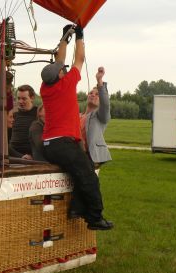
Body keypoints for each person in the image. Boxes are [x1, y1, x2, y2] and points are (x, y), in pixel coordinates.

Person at [40, 24, 113, 230]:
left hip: (49, 145)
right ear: (61, 76)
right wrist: (80, 35)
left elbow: (60, 61)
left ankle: (76, 208)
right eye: (63, 71)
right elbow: (78, 59)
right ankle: (95, 218)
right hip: (64, 143)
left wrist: (64, 38)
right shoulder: (67, 84)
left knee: (82, 171)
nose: (64, 69)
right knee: (89, 177)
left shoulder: (46, 87)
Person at [80, 67, 112, 167]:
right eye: (91, 93)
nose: (93, 95)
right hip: (75, 153)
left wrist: (99, 81)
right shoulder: (78, 116)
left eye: (97, 94)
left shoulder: (100, 116)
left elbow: (106, 104)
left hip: (89, 156)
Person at [9, 85, 38, 159]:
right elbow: (5, 140)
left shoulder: (38, 114)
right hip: (13, 156)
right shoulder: (13, 116)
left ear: (32, 98)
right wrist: (20, 156)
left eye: (24, 99)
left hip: (33, 156)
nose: (20, 101)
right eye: (18, 98)